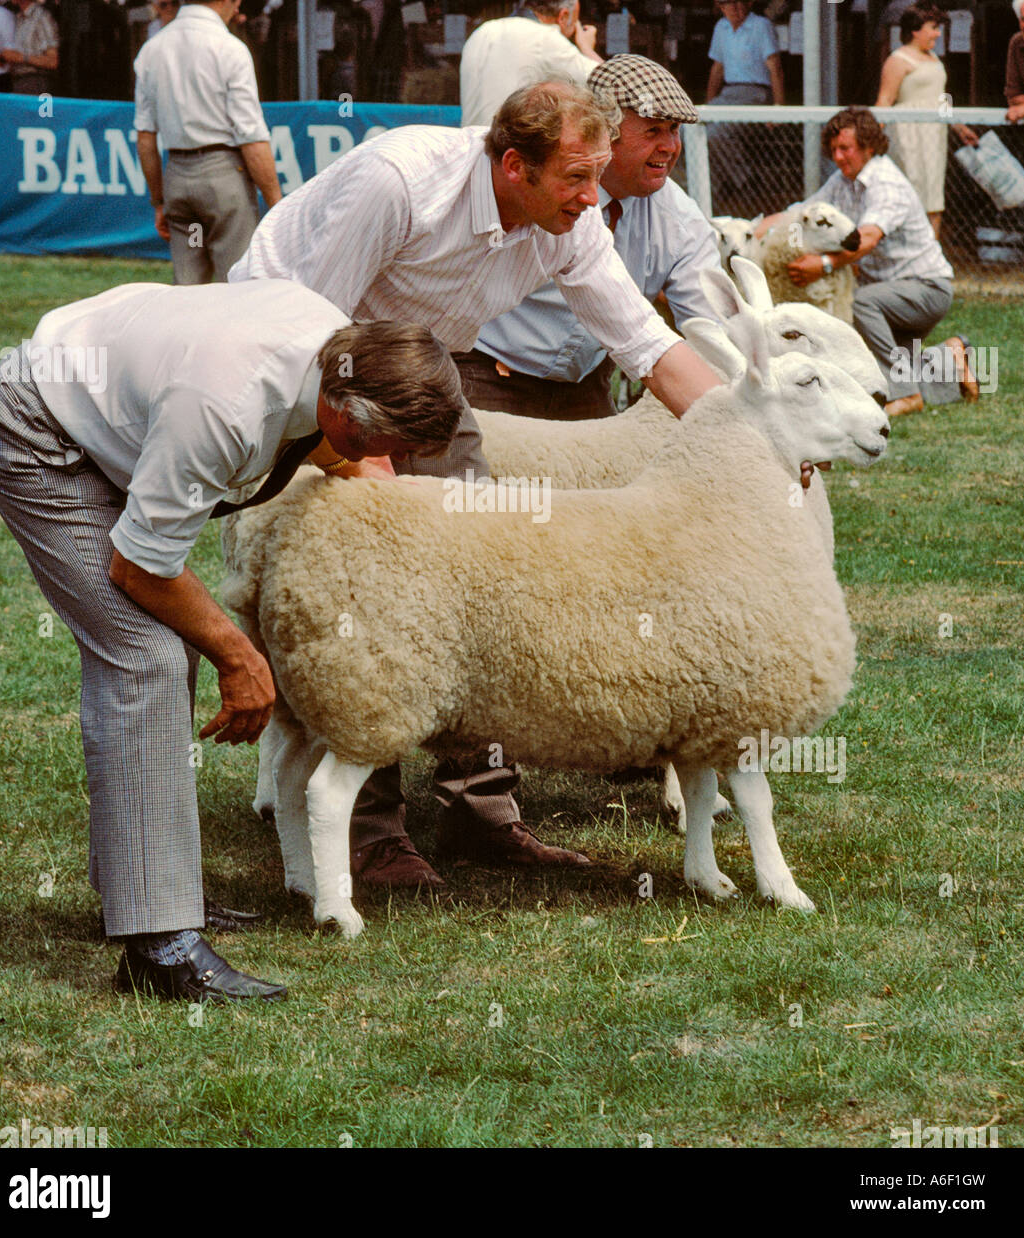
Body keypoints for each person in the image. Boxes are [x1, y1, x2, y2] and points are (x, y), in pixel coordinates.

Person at [229, 80, 724, 885]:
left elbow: (642, 339)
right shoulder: (400, 183)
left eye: (599, 175)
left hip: (427, 361)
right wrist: (368, 467)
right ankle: (370, 830)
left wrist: (742, 435)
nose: (593, 198)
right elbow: (311, 325)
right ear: (512, 166)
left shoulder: (570, 220)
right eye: (575, 178)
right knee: (368, 586)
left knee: (478, 572)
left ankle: (483, 809)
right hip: (307, 360)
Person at [0, 284, 463, 1002]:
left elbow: (349, 458)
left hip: (106, 398)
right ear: (343, 416)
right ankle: (159, 950)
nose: (392, 459)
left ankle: (144, 895)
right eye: (386, 446)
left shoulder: (342, 353)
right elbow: (139, 567)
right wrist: (241, 656)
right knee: (148, 658)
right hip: (38, 431)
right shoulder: (226, 407)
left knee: (168, 649)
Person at [458, 54, 720, 422]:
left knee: (604, 477)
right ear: (604, 129)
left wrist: (750, 418)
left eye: (674, 129)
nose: (669, 146)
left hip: (585, 388)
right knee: (475, 476)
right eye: (653, 130)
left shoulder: (680, 222)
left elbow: (711, 326)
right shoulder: (534, 191)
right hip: (488, 373)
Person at [757, 106, 978, 420]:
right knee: (878, 367)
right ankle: (952, 357)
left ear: (869, 146)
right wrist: (754, 231)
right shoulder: (842, 180)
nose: (838, 156)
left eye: (845, 148)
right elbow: (801, 212)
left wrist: (824, 263)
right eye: (833, 149)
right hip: (888, 292)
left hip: (926, 289)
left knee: (859, 303)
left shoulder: (886, 183)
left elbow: (868, 237)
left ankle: (907, 396)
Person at [134, 0, 281, 284]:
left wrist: (158, 200)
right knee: (234, 286)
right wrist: (275, 202)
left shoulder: (152, 49)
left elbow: (145, 139)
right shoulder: (229, 49)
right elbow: (252, 136)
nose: (238, 10)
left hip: (177, 179)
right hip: (222, 177)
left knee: (189, 288)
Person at [876, 3, 978, 237]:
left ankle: (930, 254)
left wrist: (959, 127)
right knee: (910, 191)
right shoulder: (897, 60)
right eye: (933, 27)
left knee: (933, 195)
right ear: (915, 30)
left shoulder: (934, 58)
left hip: (934, 135)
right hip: (908, 134)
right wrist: (871, 138)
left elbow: (942, 97)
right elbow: (885, 99)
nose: (937, 33)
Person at [459, 0, 602, 127]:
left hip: (470, 143)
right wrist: (586, 48)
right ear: (563, 16)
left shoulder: (483, 30)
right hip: (504, 146)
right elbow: (611, 82)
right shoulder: (545, 37)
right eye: (574, 23)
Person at [705, 0, 784, 198]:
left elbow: (775, 67)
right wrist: (706, 108)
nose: (736, 7)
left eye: (740, 2)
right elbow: (717, 69)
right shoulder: (721, 27)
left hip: (756, 93)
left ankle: (745, 181)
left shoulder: (761, 25)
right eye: (729, 3)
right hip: (729, 93)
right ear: (721, 7)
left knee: (715, 133)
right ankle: (716, 187)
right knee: (689, 127)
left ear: (749, 3)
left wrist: (778, 108)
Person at [0, 0, 58, 95]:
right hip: (18, 81)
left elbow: (53, 61)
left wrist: (21, 57)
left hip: (36, 82)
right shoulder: (18, 19)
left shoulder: (42, 18)